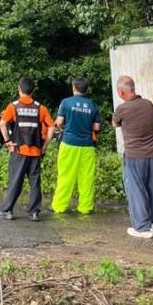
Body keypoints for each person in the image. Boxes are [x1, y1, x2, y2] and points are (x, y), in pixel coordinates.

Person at [113, 75, 153, 238]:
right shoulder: (148, 105)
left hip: (134, 156)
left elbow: (115, 123)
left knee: (136, 190)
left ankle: (142, 227)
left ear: (121, 91)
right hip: (152, 155)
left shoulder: (122, 109)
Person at [0, 77, 55, 221]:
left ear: (19, 89)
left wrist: (8, 142)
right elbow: (52, 127)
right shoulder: (40, 108)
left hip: (19, 151)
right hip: (35, 152)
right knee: (35, 182)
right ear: (33, 91)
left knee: (15, 180)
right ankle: (34, 212)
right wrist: (45, 145)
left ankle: (8, 210)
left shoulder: (13, 106)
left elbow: (2, 123)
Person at [51, 77, 100, 215]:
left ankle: (59, 206)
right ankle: (85, 207)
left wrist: (63, 126)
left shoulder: (66, 103)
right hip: (87, 146)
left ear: (74, 88)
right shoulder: (92, 105)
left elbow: (59, 122)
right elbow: (96, 127)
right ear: (86, 89)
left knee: (65, 175)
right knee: (86, 177)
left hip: (69, 144)